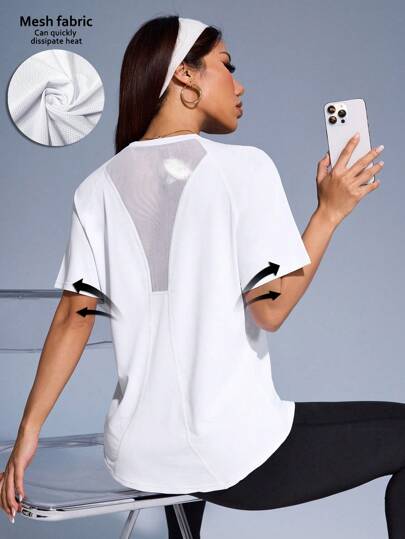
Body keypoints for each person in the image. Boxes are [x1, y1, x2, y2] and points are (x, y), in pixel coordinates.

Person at [1, 14, 401, 539]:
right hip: (233, 457)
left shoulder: (95, 189)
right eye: (226, 65)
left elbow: (72, 319)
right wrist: (328, 213)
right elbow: (271, 309)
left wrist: (27, 434)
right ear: (184, 74)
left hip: (137, 457)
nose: (240, 84)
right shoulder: (244, 169)